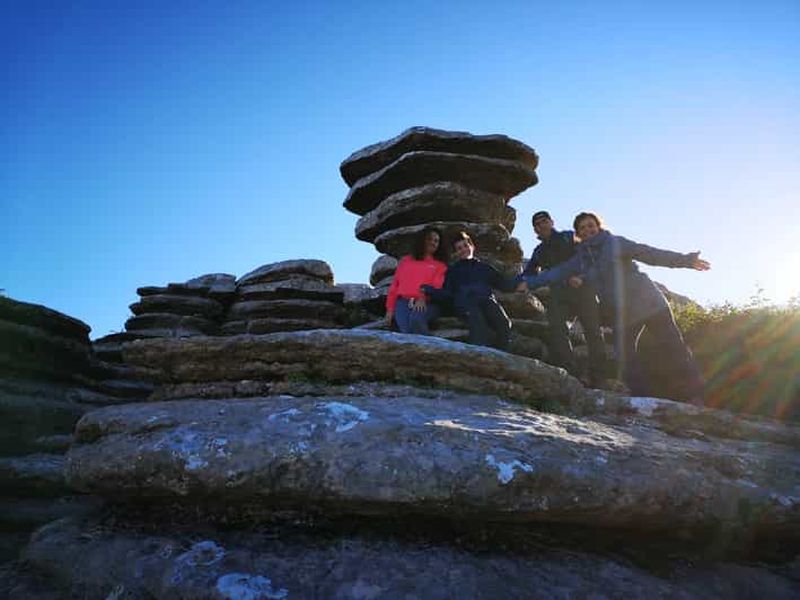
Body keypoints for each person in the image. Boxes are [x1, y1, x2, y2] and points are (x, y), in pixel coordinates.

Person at [517, 212, 710, 405]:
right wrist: (530, 283)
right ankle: (643, 399)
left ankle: (697, 396)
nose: (587, 230)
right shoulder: (582, 257)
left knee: (674, 347)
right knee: (624, 354)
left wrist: (686, 260)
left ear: (598, 226)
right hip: (624, 313)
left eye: (590, 225)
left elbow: (650, 254)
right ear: (578, 234)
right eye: (582, 228)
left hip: (649, 303)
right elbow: (559, 271)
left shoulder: (615, 243)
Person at [522, 210, 607, 386]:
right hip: (559, 296)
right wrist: (512, 283)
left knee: (593, 333)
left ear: (552, 222)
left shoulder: (569, 237)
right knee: (557, 329)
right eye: (537, 225)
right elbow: (527, 274)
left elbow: (587, 256)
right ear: (535, 230)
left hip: (583, 289)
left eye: (544, 221)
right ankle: (572, 375)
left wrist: (582, 276)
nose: (542, 226)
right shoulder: (538, 252)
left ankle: (598, 378)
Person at [423, 231, 517, 350]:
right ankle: (478, 356)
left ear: (472, 246)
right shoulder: (453, 271)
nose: (463, 250)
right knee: (478, 322)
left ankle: (502, 355)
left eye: (465, 246)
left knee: (504, 323)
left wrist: (521, 282)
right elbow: (448, 293)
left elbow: (503, 283)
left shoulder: (484, 268)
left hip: (487, 301)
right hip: (466, 303)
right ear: (456, 252)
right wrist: (429, 290)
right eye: (459, 248)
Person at [385, 227, 448, 335]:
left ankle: (430, 350)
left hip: (428, 303)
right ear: (422, 240)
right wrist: (390, 309)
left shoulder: (440, 266)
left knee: (416, 320)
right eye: (430, 239)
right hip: (403, 303)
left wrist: (422, 297)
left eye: (436, 241)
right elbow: (395, 285)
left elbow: (436, 286)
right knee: (406, 332)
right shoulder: (405, 261)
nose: (433, 243)